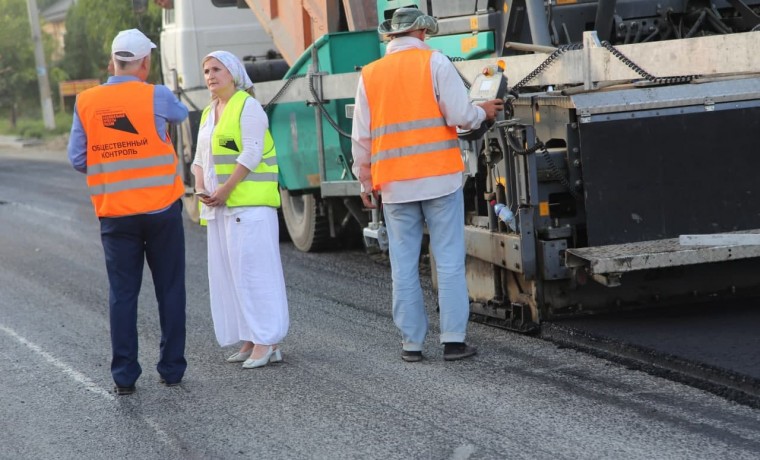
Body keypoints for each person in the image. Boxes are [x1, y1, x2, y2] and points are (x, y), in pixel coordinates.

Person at [351, 7, 504, 362]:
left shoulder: (370, 75)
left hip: (394, 186)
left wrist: (365, 181)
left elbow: (361, 138)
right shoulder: (434, 62)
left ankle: (412, 345)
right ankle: (453, 341)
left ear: (390, 36)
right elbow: (461, 117)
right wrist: (485, 111)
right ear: (422, 33)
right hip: (439, 179)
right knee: (448, 260)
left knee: (403, 265)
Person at [67, 29, 189, 395]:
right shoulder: (157, 95)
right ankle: (171, 369)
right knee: (169, 288)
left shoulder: (85, 102)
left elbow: (77, 158)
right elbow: (181, 116)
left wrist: (112, 162)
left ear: (113, 62)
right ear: (145, 63)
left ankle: (124, 377)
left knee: (123, 293)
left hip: (115, 214)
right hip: (161, 210)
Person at [191, 50, 289, 369]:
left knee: (255, 274)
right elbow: (198, 159)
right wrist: (202, 188)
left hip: (250, 206)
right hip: (221, 208)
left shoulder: (248, 107)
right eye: (206, 70)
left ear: (232, 72)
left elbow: (251, 153)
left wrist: (224, 190)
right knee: (232, 276)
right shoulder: (209, 112)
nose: (210, 75)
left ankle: (268, 339)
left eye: (216, 69)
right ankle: (250, 337)